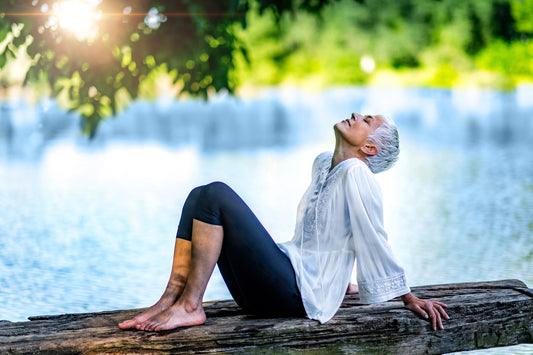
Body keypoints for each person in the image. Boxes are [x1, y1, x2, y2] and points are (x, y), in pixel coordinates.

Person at [118, 112, 449, 332]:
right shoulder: (324, 164)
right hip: (283, 284)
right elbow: (328, 237)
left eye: (366, 120)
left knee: (215, 195)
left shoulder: (357, 174)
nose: (356, 115)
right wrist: (338, 282)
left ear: (369, 147)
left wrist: (407, 297)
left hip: (295, 295)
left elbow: (373, 236)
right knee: (198, 197)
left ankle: (191, 306)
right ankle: (170, 300)